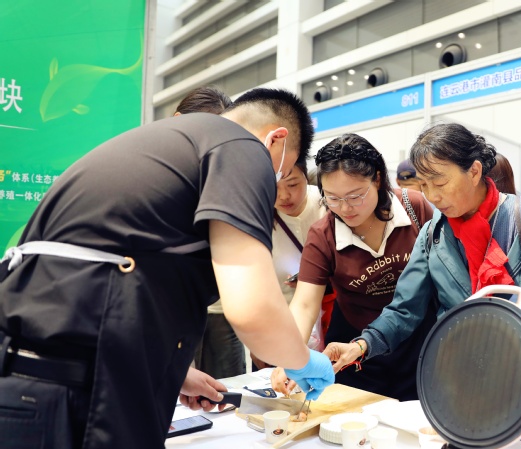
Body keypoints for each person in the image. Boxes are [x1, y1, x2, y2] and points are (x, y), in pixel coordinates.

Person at [0, 88, 335, 448]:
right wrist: (302, 360)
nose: (274, 184)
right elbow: (253, 311)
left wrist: (176, 373)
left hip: (27, 371)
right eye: (278, 172)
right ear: (275, 138)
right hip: (75, 389)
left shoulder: (161, 142)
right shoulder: (241, 146)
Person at [324, 123, 521, 449]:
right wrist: (362, 345)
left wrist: (506, 336)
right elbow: (404, 309)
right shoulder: (433, 234)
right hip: (461, 382)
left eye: (440, 182)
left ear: (475, 171)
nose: (433, 196)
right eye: (424, 185)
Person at [272, 133, 434, 401]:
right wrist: (289, 355)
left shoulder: (413, 207)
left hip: (420, 344)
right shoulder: (323, 235)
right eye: (332, 198)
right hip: (356, 352)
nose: (345, 208)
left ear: (377, 179)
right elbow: (304, 304)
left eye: (355, 196)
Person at [171, 86, 246, 380]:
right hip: (168, 311)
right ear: (178, 120)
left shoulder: (223, 179)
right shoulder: (161, 179)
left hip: (221, 309)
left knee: (223, 387)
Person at [250, 160, 329, 370]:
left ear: (305, 175)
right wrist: (256, 339)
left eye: (293, 184)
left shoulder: (329, 204)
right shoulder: (255, 216)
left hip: (332, 327)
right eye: (273, 187)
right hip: (278, 331)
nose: (284, 196)